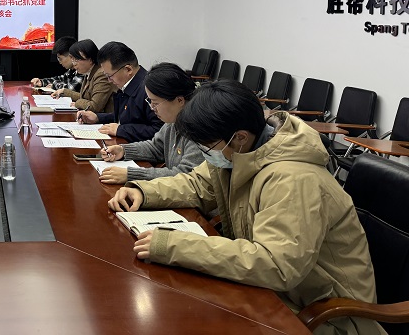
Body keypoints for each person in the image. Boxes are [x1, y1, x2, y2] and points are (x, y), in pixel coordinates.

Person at [108, 80, 383, 335]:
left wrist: (174, 246)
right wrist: (143, 192)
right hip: (276, 291)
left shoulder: (294, 179)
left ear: (239, 136)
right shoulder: (240, 151)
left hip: (326, 314)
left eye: (207, 147)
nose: (205, 154)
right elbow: (198, 185)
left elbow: (276, 264)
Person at [97, 62, 202, 184]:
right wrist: (123, 150)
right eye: (150, 101)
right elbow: (156, 147)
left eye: (155, 103)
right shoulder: (174, 119)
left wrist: (132, 175)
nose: (152, 108)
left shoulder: (200, 127)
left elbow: (186, 175)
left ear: (179, 100)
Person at [76, 41, 163, 142]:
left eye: (110, 76)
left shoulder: (149, 90)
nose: (109, 80)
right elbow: (126, 116)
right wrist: (98, 118)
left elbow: (159, 130)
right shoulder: (129, 84)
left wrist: (121, 130)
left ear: (128, 69)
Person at [51, 39, 115, 113]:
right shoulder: (89, 72)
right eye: (73, 59)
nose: (74, 64)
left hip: (104, 118)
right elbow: (85, 97)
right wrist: (64, 92)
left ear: (90, 60)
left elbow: (95, 106)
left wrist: (77, 103)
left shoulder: (101, 75)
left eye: (77, 59)